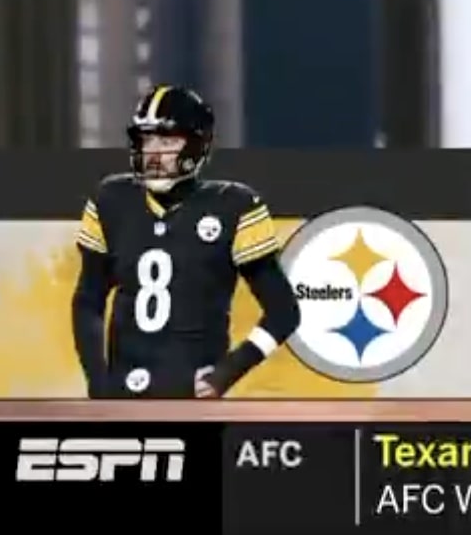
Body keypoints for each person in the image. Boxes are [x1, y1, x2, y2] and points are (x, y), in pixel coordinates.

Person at [71, 86, 301, 397]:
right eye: (147, 140)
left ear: (196, 145)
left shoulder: (233, 205)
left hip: (192, 396)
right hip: (123, 392)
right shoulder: (112, 199)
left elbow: (284, 312)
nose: (154, 153)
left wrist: (227, 372)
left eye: (167, 141)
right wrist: (98, 381)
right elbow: (88, 300)